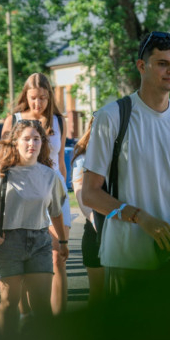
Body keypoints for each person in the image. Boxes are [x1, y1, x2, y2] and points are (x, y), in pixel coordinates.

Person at [82, 31, 170, 295]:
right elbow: (90, 194)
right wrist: (141, 218)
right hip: (126, 258)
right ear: (142, 66)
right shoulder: (112, 116)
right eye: (162, 63)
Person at [0, 119, 68, 333]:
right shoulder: (0, 173)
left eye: (36, 139)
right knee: (9, 302)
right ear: (15, 142)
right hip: (7, 243)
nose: (32, 144)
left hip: (40, 241)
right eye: (27, 139)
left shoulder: (50, 175)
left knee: (41, 305)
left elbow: (56, 211)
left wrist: (62, 241)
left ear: (42, 143)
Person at [1, 73, 71, 314]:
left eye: (42, 97)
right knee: (25, 259)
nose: (38, 103)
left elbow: (60, 160)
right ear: (26, 96)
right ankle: (26, 316)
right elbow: (3, 160)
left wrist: (64, 190)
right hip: (25, 192)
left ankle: (58, 319)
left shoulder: (59, 120)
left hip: (54, 189)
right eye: (33, 98)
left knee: (57, 257)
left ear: (49, 96)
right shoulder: (15, 119)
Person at [70, 118, 106, 306]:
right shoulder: (83, 157)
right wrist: (94, 219)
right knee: (98, 293)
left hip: (123, 226)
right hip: (95, 228)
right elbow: (80, 193)